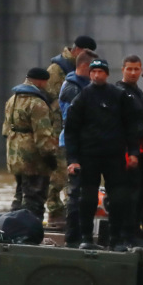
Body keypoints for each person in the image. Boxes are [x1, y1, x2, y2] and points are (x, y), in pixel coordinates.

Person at [63, 59, 142, 251]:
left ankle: (116, 240)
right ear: (90, 74)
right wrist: (72, 160)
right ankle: (86, 238)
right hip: (88, 156)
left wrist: (132, 153)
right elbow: (71, 131)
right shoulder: (82, 98)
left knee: (119, 198)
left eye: (100, 72)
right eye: (93, 72)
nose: (97, 75)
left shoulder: (119, 96)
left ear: (107, 74)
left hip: (114, 156)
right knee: (87, 198)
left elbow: (132, 126)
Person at [1, 68, 60, 221]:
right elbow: (43, 136)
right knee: (35, 198)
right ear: (41, 81)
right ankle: (30, 233)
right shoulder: (37, 103)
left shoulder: (12, 100)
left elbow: (5, 130)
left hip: (14, 155)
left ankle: (12, 228)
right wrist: (51, 158)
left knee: (20, 195)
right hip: (33, 160)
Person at [49, 48, 97, 227]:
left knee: (84, 186)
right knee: (69, 184)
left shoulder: (86, 84)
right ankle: (68, 223)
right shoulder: (71, 87)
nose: (95, 73)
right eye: (93, 69)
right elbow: (76, 117)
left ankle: (80, 222)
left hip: (87, 143)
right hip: (70, 142)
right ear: (84, 66)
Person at [117, 55, 143, 242]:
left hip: (142, 150)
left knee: (142, 192)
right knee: (129, 194)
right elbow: (124, 124)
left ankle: (138, 231)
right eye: (129, 69)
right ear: (123, 69)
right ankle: (127, 234)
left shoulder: (139, 92)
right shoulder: (119, 92)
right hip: (126, 151)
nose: (133, 73)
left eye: (136, 69)